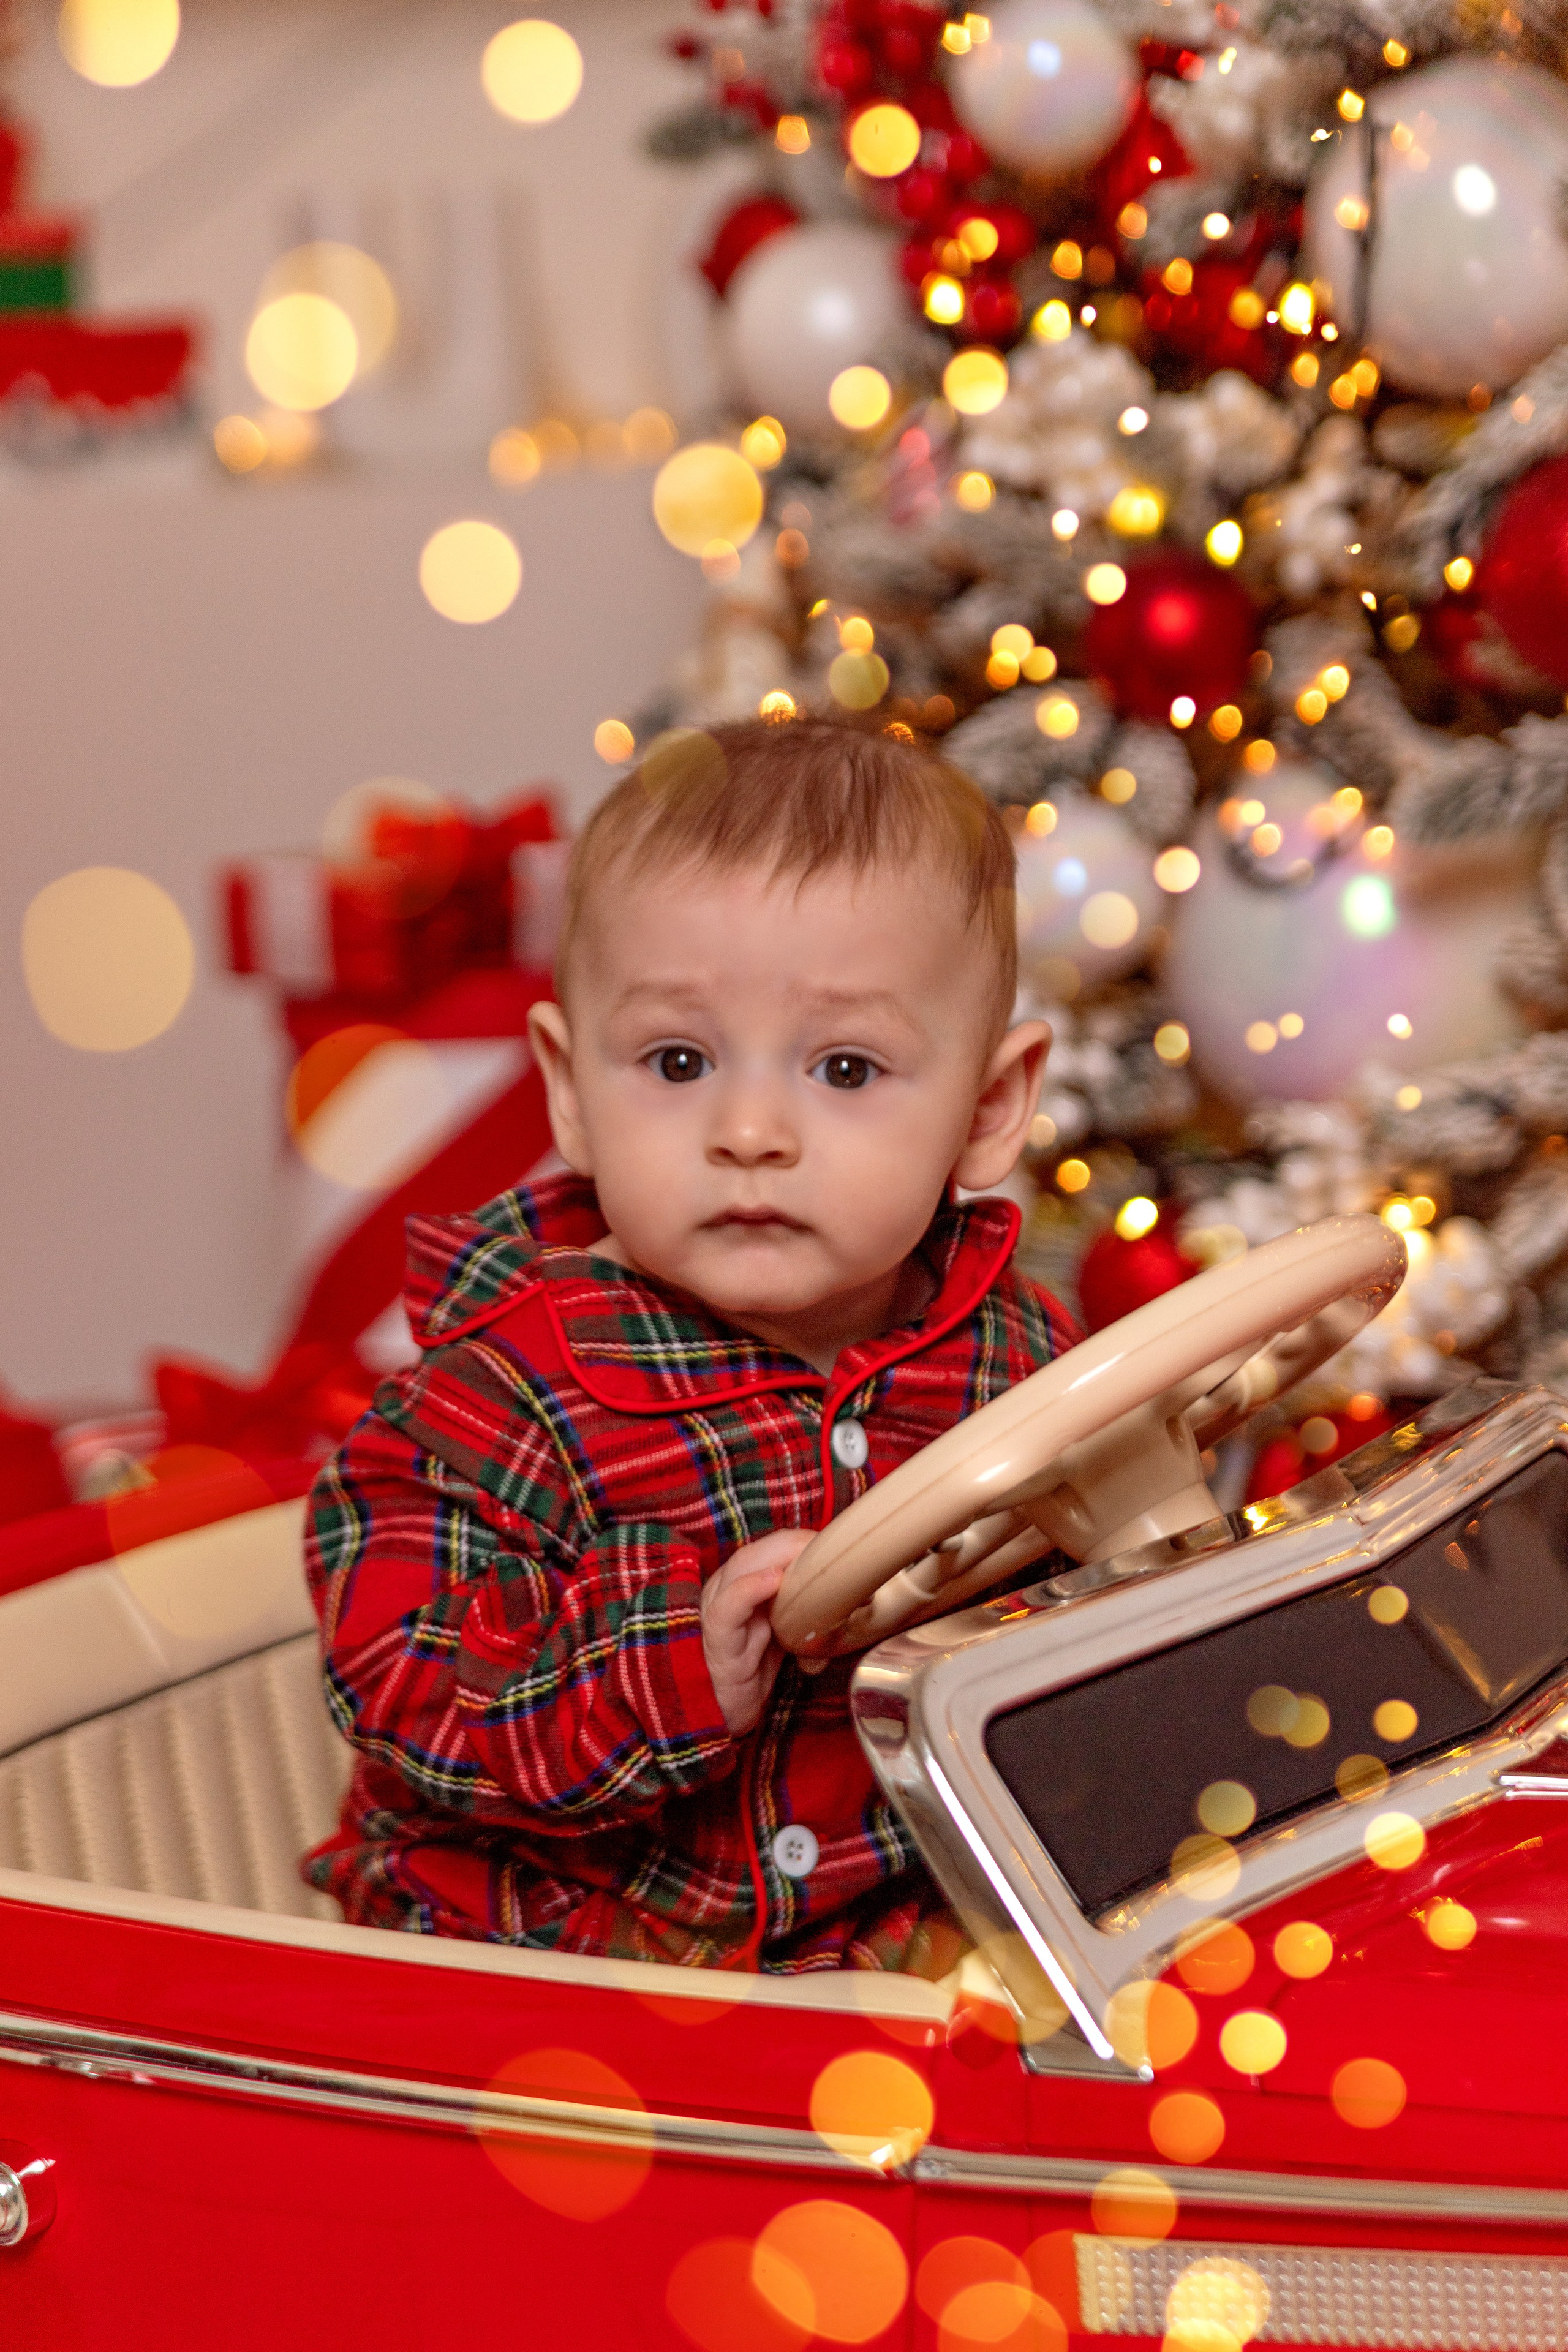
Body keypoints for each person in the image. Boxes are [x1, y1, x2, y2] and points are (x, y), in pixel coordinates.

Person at [300, 717, 1079, 1970]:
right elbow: (397, 1678)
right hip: (554, 1952)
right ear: (571, 1091)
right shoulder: (496, 1393)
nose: (750, 1130)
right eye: (677, 1060)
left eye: (844, 1067)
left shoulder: (1019, 1352)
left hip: (869, 1938)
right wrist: (665, 1663)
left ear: (987, 1109)